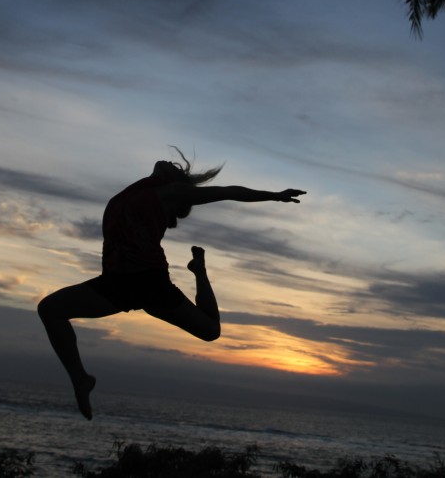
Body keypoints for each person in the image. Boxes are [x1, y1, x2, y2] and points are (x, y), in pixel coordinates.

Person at [37, 151, 305, 419]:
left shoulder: (172, 192)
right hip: (115, 281)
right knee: (50, 309)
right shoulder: (139, 189)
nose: (167, 161)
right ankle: (80, 380)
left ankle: (199, 271)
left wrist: (274, 195)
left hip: (148, 280)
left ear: (175, 179)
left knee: (211, 330)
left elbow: (229, 191)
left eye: (174, 166)